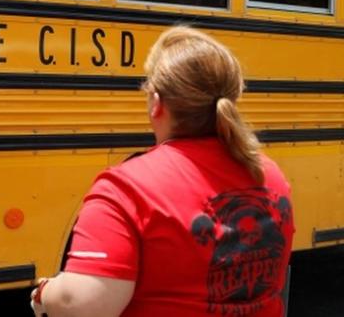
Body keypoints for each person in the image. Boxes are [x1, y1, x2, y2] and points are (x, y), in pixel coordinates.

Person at [31, 26, 294, 317]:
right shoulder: (269, 176)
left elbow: (81, 305)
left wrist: (47, 293)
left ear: (156, 104)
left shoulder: (127, 189)